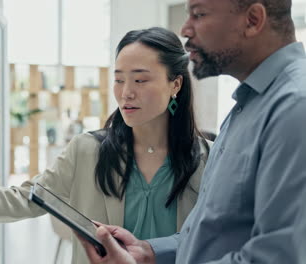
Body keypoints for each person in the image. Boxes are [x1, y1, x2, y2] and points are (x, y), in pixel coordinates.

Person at [0, 27, 210, 264]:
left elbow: (212, 237)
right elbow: (26, 199)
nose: (126, 92)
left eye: (140, 79)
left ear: (175, 84)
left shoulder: (209, 159)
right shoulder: (88, 150)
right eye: (119, 79)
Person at [78, 0, 306, 263]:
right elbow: (215, 230)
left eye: (198, 14)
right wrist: (149, 252)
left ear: (253, 20)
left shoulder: (294, 107)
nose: (185, 29)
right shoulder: (247, 106)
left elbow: (278, 257)